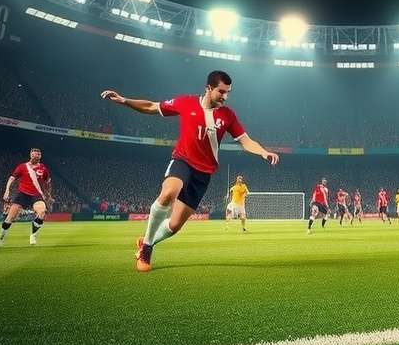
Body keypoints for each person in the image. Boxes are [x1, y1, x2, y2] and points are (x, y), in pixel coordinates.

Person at [101, 70, 279, 272]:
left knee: (174, 226)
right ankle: (147, 250)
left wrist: (263, 152)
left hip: (203, 173)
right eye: (221, 91)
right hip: (182, 161)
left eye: (228, 92)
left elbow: (245, 141)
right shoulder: (185, 103)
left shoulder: (228, 115)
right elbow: (152, 106)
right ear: (209, 88)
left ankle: (146, 241)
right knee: (168, 193)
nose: (225, 97)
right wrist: (124, 100)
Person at [0, 148, 52, 248]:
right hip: (22, 194)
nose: (35, 156)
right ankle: (0, 239)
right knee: (9, 218)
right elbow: (12, 178)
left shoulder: (43, 168)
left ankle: (33, 235)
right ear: (30, 155)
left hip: (36, 195)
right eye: (33, 154)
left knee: (41, 212)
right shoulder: (22, 166)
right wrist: (7, 190)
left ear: (40, 156)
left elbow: (48, 182)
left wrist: (48, 194)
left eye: (38, 155)